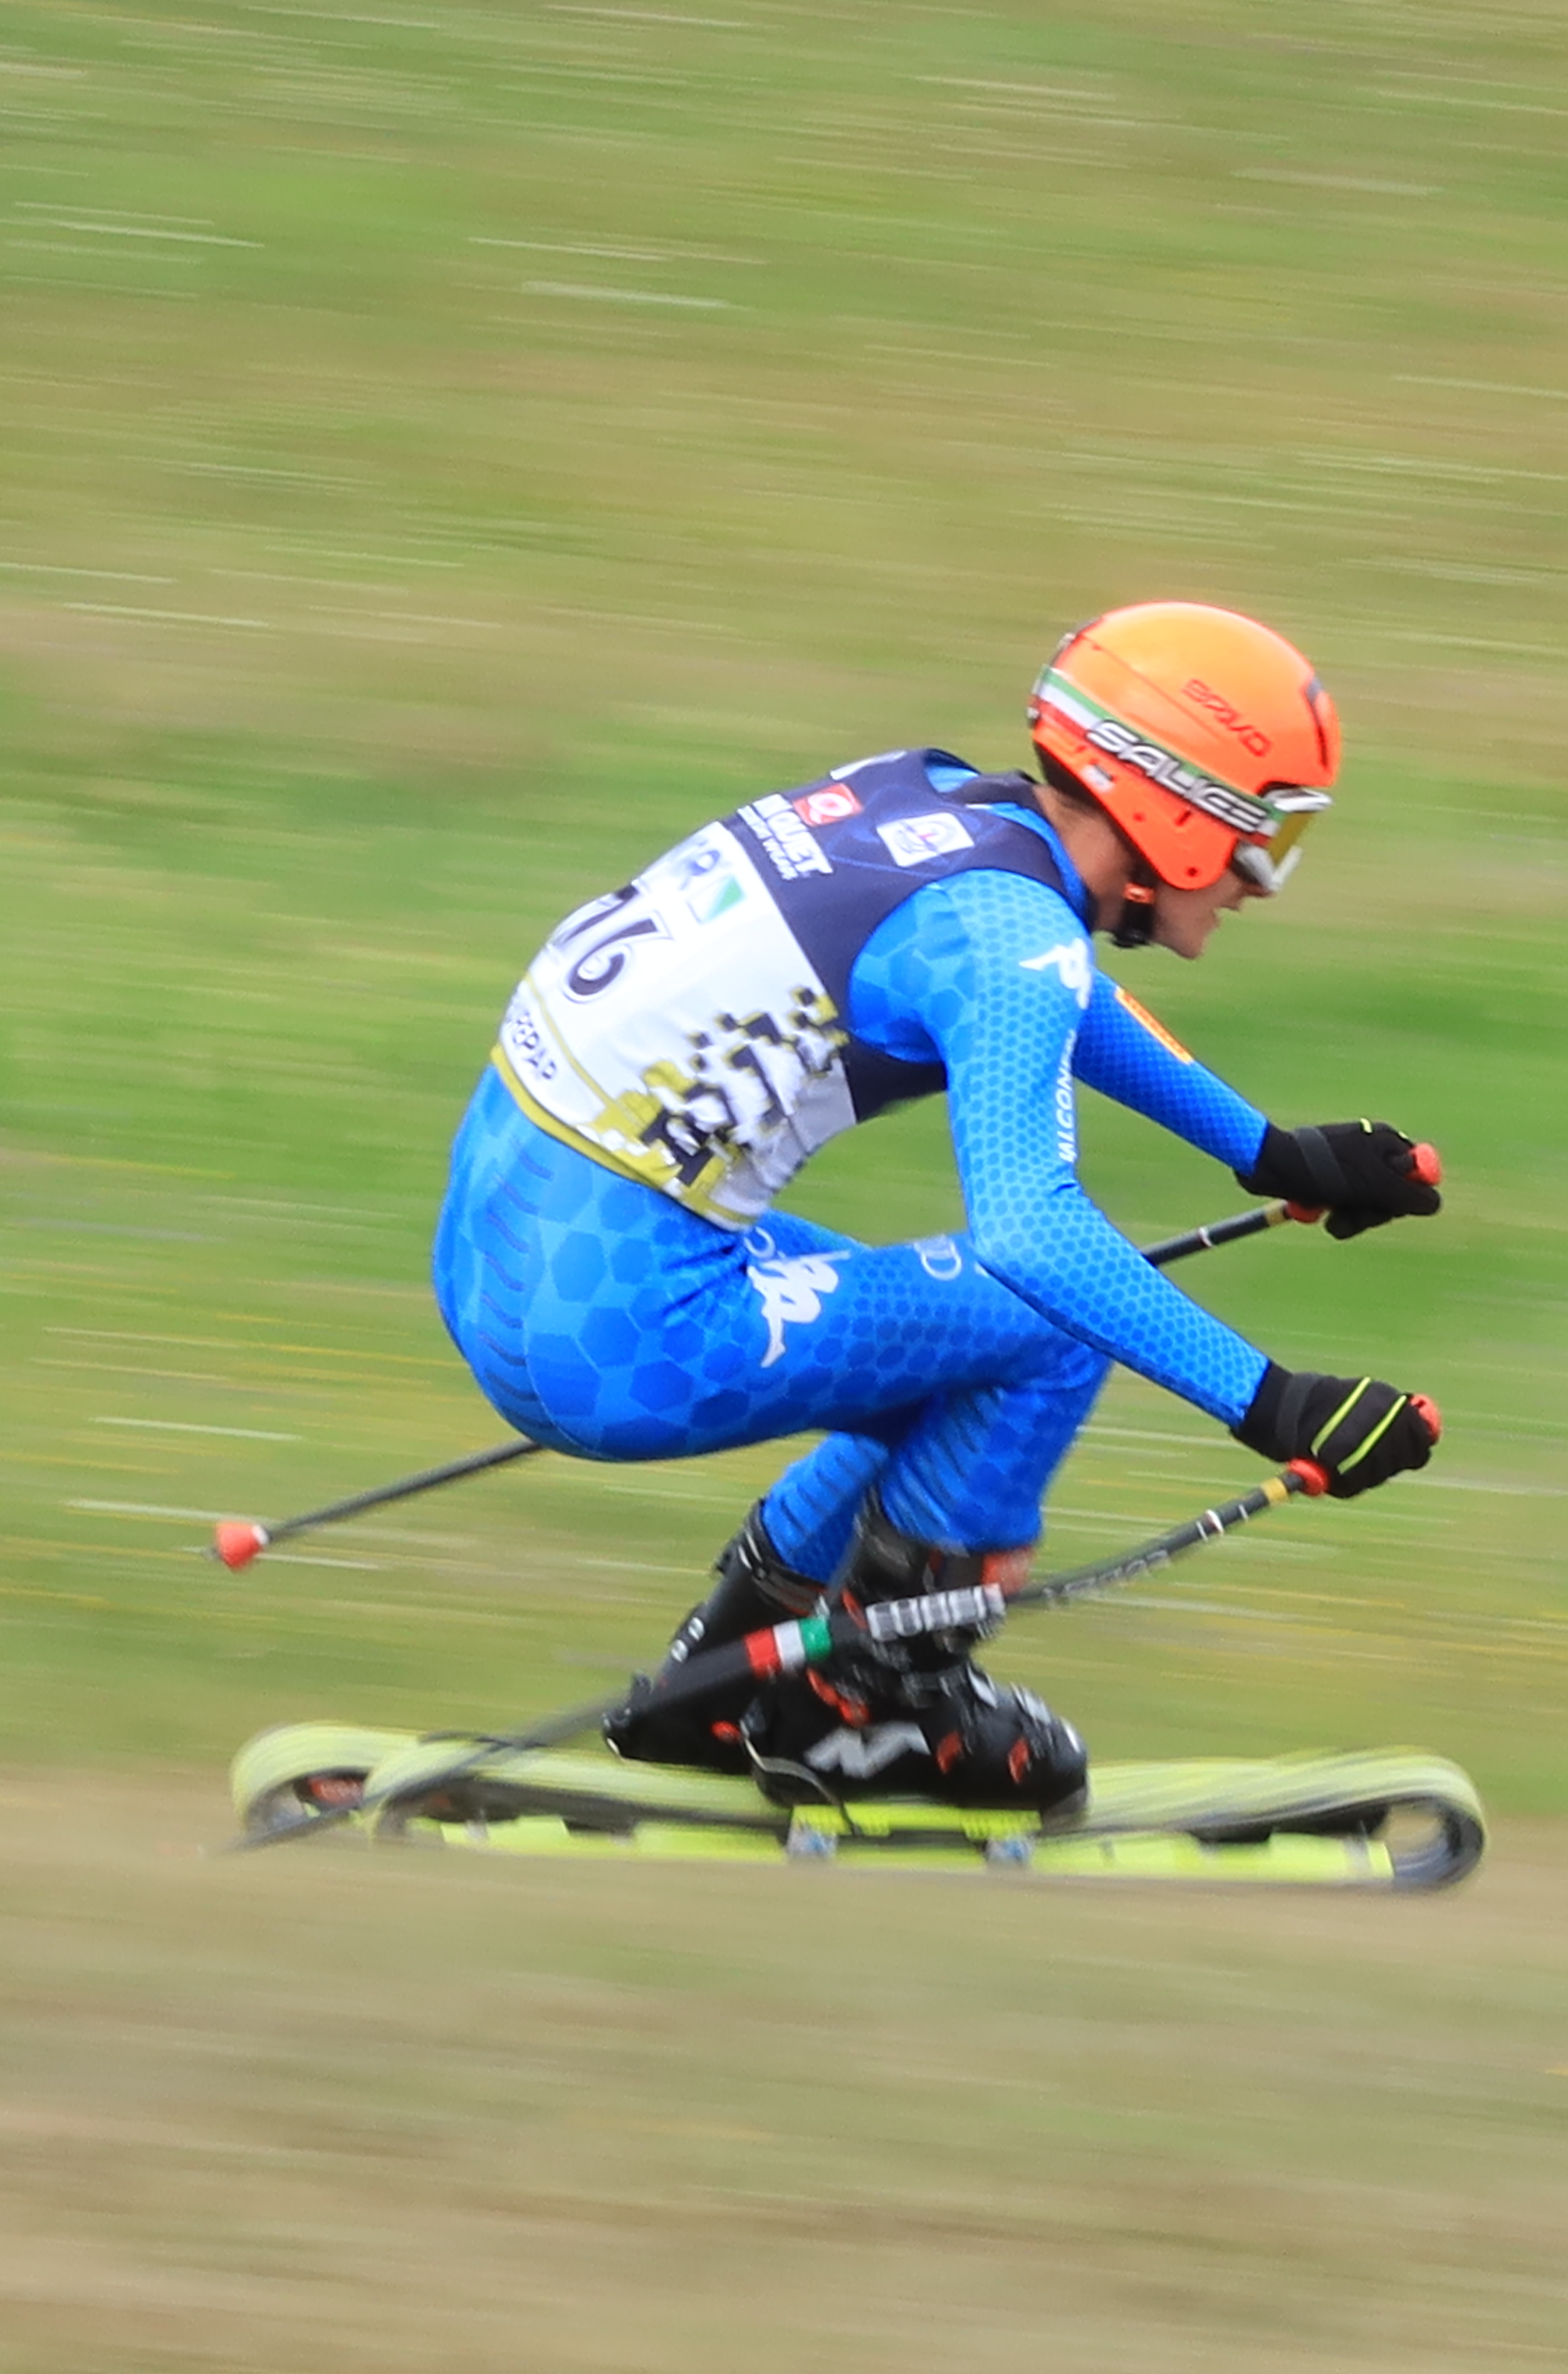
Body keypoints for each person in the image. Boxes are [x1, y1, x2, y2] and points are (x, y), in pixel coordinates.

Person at [429, 603, 1446, 1815]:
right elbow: (1032, 1230)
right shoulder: (1012, 935)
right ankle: (863, 1713)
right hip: (615, 1333)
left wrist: (1267, 1151)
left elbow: (1044, 988)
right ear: (1179, 805)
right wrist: (1273, 1401)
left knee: (951, 1348)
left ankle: (716, 1688)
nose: (1261, 881)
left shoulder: (932, 801)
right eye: (1264, 831)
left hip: (520, 1249)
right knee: (1049, 1329)